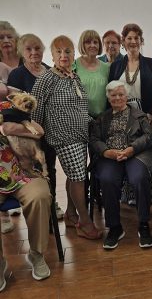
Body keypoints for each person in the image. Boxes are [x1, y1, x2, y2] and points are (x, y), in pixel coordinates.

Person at [31, 35, 101, 240]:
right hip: (62, 137)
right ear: (52, 55)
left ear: (73, 54)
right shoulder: (46, 78)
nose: (64, 55)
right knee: (79, 177)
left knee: (74, 175)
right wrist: (37, 138)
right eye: (59, 52)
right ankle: (85, 222)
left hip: (80, 135)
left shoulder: (74, 76)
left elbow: (79, 107)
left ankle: (71, 215)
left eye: (67, 51)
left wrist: (94, 121)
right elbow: (35, 111)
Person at [90, 80, 152, 249]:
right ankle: (115, 227)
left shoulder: (139, 115)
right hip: (111, 156)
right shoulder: (102, 118)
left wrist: (131, 149)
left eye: (121, 94)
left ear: (127, 96)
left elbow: (149, 137)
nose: (117, 98)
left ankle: (143, 224)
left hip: (135, 154)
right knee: (107, 179)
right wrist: (106, 152)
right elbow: (95, 140)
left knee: (139, 177)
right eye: (113, 95)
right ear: (108, 97)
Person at [7, 33, 64, 220]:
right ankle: (40, 206)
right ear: (22, 52)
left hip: (50, 131)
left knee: (51, 168)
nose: (34, 52)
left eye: (37, 48)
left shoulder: (50, 70)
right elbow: (15, 107)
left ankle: (52, 202)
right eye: (29, 49)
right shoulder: (17, 74)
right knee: (34, 169)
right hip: (28, 133)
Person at [0, 120, 52, 292]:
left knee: (39, 196)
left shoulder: (9, 105)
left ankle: (37, 253)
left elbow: (39, 131)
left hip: (24, 172)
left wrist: (12, 128)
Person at [108, 23, 152, 120]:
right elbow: (109, 93)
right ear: (123, 41)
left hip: (145, 118)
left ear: (141, 41)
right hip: (120, 118)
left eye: (136, 38)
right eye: (129, 38)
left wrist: (151, 113)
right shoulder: (115, 66)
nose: (133, 41)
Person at [0, 21, 23, 232]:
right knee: (5, 163)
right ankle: (4, 213)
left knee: (36, 160)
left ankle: (49, 200)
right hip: (3, 120)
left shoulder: (26, 56)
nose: (6, 40)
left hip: (29, 117)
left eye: (9, 36)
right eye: (1, 37)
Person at [73, 30, 110, 118]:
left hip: (102, 119)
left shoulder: (107, 67)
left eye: (95, 42)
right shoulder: (74, 65)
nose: (92, 45)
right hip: (80, 118)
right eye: (88, 42)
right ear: (82, 45)